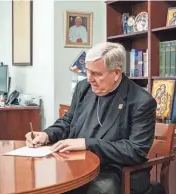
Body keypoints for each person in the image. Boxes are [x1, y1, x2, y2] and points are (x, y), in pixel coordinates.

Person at [25, 42, 157, 194]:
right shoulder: (84, 88)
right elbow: (68, 121)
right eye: (87, 71)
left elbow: (135, 150)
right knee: (43, 180)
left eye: (97, 74)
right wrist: (47, 134)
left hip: (113, 168)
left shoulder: (141, 102)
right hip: (76, 161)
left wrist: (87, 144)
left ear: (116, 73)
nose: (89, 79)